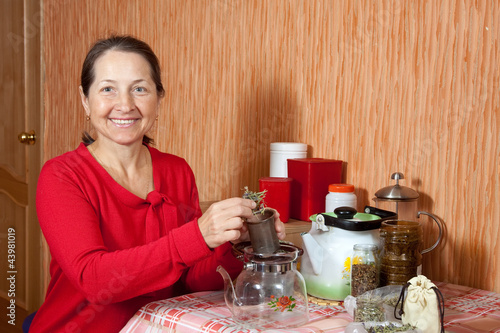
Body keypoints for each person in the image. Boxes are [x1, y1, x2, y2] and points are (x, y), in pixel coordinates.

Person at [29, 35, 286, 333]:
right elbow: (95, 281)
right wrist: (199, 235)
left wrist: (231, 243)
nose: (124, 105)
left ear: (158, 98)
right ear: (85, 100)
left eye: (139, 89)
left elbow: (193, 281)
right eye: (108, 89)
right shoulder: (62, 175)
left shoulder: (177, 170)